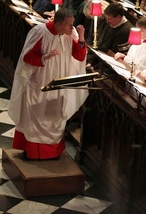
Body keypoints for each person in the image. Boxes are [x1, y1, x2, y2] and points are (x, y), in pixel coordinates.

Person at [8, 8, 88, 160]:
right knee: (36, 115)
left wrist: (82, 38)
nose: (72, 27)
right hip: (40, 82)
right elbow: (27, 58)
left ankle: (52, 153)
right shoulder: (40, 33)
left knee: (55, 117)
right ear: (57, 24)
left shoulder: (71, 34)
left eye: (72, 24)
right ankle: (31, 152)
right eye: (68, 24)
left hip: (59, 83)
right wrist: (45, 57)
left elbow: (79, 55)